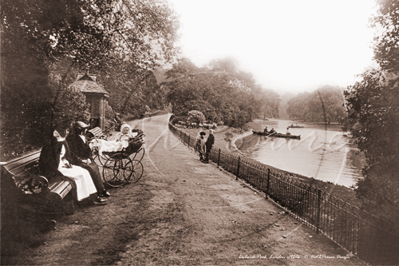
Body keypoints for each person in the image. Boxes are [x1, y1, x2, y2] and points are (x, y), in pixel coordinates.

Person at [39, 121, 106, 205]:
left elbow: (65, 156)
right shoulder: (50, 144)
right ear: (60, 131)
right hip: (54, 170)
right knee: (80, 175)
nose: (67, 132)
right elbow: (48, 162)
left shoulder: (62, 141)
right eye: (65, 130)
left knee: (85, 172)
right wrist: (59, 169)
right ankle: (84, 200)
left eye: (67, 130)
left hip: (63, 166)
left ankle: (92, 197)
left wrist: (66, 162)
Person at [67, 121, 110, 198]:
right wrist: (81, 160)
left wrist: (89, 158)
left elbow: (88, 150)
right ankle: (97, 192)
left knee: (95, 166)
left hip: (85, 159)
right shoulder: (70, 139)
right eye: (84, 129)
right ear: (78, 129)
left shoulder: (84, 137)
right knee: (90, 169)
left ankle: (101, 189)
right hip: (76, 161)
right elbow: (71, 154)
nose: (85, 130)